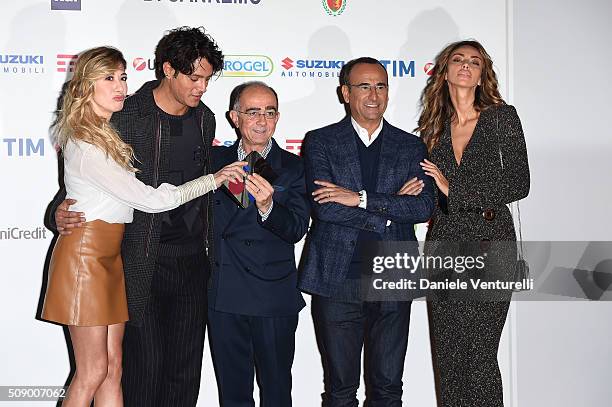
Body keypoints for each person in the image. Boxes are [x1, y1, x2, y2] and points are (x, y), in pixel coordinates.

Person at [50, 27, 244, 406]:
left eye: (207, 78)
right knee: (138, 371)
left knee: (177, 373)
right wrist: (58, 212)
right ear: (168, 70)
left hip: (190, 259)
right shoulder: (124, 116)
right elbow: (88, 185)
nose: (202, 87)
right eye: (194, 77)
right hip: (137, 260)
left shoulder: (205, 119)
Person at [299, 57, 435, 406]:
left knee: (388, 388)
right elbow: (325, 207)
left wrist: (358, 198)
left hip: (392, 277)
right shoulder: (321, 141)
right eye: (364, 86)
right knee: (341, 390)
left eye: (381, 86)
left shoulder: (411, 146)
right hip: (337, 279)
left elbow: (422, 207)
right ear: (345, 93)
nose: (374, 95)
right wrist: (388, 210)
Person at [413, 39, 530, 406]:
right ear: (444, 71)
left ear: (482, 75)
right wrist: (416, 191)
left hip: (492, 240)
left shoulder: (501, 116)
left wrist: (453, 187)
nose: (466, 65)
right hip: (445, 243)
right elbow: (433, 196)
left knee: (478, 358)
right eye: (458, 60)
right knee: (448, 358)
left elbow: (518, 182)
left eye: (474, 62)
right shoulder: (433, 127)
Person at [207, 81, 309, 407]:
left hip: (272, 297)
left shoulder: (295, 167)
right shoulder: (212, 161)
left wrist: (268, 207)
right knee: (233, 395)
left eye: (270, 112)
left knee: (276, 392)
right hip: (224, 293)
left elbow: (296, 229)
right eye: (253, 112)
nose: (262, 121)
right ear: (234, 117)